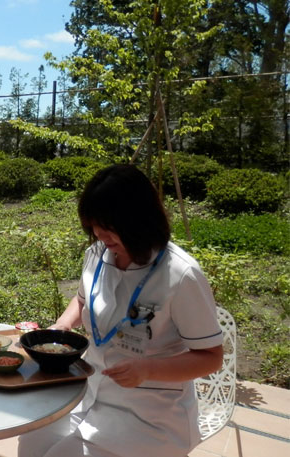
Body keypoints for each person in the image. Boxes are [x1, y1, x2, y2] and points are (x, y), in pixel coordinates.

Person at [18, 164, 224, 457]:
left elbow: (211, 357)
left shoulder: (181, 274)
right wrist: (62, 326)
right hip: (87, 390)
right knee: (30, 442)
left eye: (110, 227)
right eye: (94, 227)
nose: (101, 236)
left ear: (140, 220)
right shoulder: (98, 254)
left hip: (150, 413)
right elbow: (81, 300)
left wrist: (149, 369)